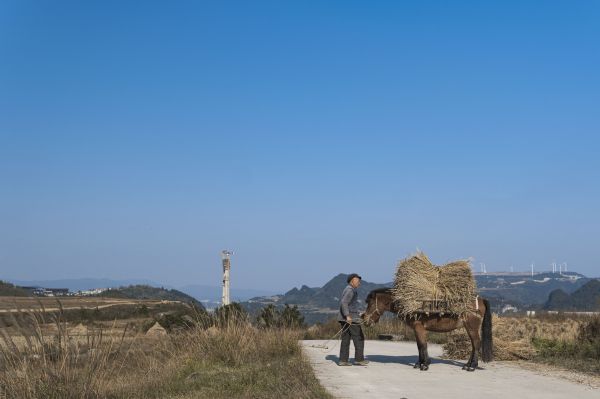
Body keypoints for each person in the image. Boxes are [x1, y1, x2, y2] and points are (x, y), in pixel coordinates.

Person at [338, 273, 369, 366]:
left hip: (345, 318)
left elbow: (350, 305)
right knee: (359, 338)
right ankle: (359, 359)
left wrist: (359, 313)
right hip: (351, 319)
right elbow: (344, 303)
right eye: (357, 281)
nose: (359, 283)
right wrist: (348, 316)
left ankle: (343, 360)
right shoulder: (350, 290)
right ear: (352, 281)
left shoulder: (348, 289)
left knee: (346, 339)